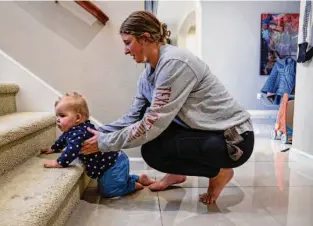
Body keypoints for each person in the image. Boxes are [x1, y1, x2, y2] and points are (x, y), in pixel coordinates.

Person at [80, 11, 254, 204]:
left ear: (145, 38)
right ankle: (176, 174)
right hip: (205, 131)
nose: (125, 50)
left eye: (128, 42)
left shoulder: (174, 63)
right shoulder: (147, 76)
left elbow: (151, 125)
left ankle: (220, 172)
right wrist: (96, 133)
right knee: (153, 151)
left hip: (234, 140)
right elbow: (133, 117)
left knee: (153, 141)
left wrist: (105, 143)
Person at [41, 92, 155, 198]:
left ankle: (131, 186)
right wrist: (53, 148)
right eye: (56, 116)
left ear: (78, 118)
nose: (57, 119)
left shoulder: (79, 133)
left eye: (62, 115)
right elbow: (63, 139)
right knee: (112, 180)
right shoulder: (74, 130)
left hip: (113, 164)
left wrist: (59, 162)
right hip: (113, 161)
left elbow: (71, 151)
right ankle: (138, 178)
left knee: (108, 191)